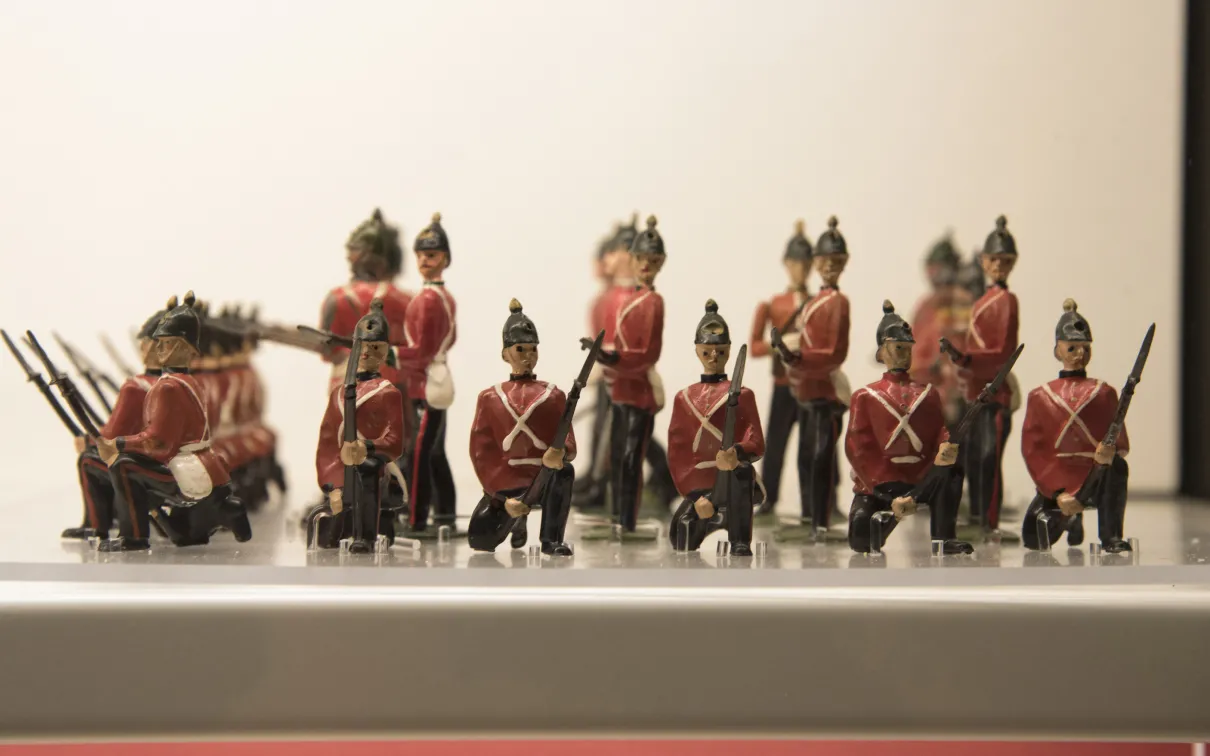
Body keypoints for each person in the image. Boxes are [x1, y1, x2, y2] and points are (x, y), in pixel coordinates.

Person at [94, 292, 252, 551]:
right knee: (183, 536)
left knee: (123, 466)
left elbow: (159, 443)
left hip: (185, 465)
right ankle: (211, 515)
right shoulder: (190, 382)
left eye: (165, 343)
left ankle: (133, 537)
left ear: (182, 346)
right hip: (206, 462)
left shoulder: (167, 387)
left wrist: (118, 443)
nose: (158, 349)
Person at [844, 302, 968, 554]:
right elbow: (858, 450)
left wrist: (945, 444)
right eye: (897, 347)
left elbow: (937, 430)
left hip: (921, 476)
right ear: (881, 354)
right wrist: (888, 496)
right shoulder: (865, 396)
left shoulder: (928, 394)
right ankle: (889, 519)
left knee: (951, 472)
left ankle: (944, 537)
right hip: (881, 482)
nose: (903, 354)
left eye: (906, 348)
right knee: (861, 538)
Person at [1020, 300, 1132, 553]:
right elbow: (1032, 450)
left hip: (1096, 473)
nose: (1079, 354)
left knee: (1117, 468)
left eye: (1084, 348)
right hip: (1057, 476)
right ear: (1057, 351)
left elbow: (1120, 437)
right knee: (1034, 540)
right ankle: (1070, 520)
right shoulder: (1040, 395)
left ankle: (1111, 536)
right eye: (1072, 347)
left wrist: (1112, 452)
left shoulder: (1104, 393)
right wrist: (1057, 492)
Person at [467, 300, 576, 556]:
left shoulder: (553, 394)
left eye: (532, 349)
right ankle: (516, 522)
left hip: (543, 474)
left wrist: (561, 452)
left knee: (564, 473)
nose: (527, 356)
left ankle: (551, 539)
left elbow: (568, 436)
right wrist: (504, 499)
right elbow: (481, 452)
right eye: (520, 349)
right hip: (506, 479)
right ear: (505, 354)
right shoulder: (489, 397)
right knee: (480, 540)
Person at [668, 300, 764, 555]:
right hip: (700, 484)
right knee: (682, 537)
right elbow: (678, 454)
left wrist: (738, 454)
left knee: (742, 474)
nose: (713, 357)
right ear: (697, 350)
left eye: (720, 352)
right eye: (707, 351)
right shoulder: (684, 397)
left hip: (732, 481)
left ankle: (740, 539)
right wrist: (694, 496)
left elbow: (756, 441)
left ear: (729, 351)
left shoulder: (743, 395)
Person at [313, 300, 410, 552]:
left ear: (384, 350)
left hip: (375, 465)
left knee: (366, 470)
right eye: (362, 347)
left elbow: (395, 441)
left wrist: (367, 446)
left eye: (374, 347)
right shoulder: (338, 393)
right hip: (341, 468)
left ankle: (364, 536)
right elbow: (326, 444)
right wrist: (332, 486)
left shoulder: (388, 392)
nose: (366, 353)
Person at [63, 305, 166, 540]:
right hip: (167, 455)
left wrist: (88, 440)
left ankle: (97, 525)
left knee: (88, 460)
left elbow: (113, 433)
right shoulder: (182, 382)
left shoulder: (135, 387)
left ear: (148, 347)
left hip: (147, 458)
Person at [949, 216, 1020, 532]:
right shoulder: (984, 300)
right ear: (983, 261)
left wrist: (966, 359)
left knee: (990, 459)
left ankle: (988, 520)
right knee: (975, 456)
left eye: (1005, 260)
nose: (999, 265)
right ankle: (977, 515)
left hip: (994, 394)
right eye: (994, 259)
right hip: (975, 392)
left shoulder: (1006, 300)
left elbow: (1001, 352)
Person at [598, 216, 667, 533]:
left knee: (631, 457)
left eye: (652, 261)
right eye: (642, 260)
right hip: (620, 389)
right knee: (616, 455)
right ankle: (617, 517)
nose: (646, 266)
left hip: (638, 390)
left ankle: (628, 520)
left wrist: (613, 358)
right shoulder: (630, 297)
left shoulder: (653, 302)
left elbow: (646, 354)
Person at [785, 216, 851, 530]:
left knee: (822, 457)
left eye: (835, 261)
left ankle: (821, 519)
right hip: (806, 389)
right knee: (806, 456)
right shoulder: (815, 301)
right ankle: (810, 514)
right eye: (824, 261)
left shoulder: (839, 302)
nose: (829, 266)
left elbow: (833, 354)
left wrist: (797, 358)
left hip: (824, 390)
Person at [395, 213, 458, 534]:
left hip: (426, 382)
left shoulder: (430, 300)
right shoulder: (442, 297)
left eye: (431, 254)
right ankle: (445, 511)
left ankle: (418, 518)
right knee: (435, 451)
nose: (424, 260)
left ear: (445, 258)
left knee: (421, 453)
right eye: (420, 254)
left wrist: (393, 353)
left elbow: (419, 351)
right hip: (435, 377)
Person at [748, 220, 812, 516]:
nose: (800, 268)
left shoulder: (819, 302)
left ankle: (817, 504)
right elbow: (755, 346)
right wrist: (779, 344)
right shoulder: (775, 304)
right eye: (795, 263)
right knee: (775, 445)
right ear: (787, 264)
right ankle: (768, 497)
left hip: (811, 384)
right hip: (784, 384)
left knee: (814, 449)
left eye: (805, 263)